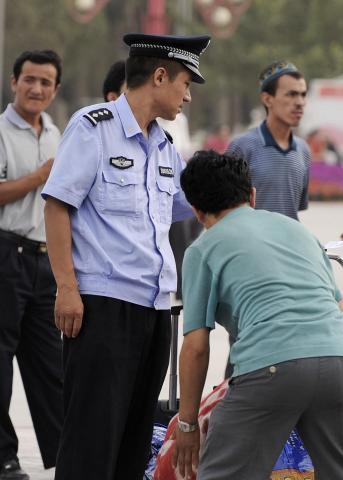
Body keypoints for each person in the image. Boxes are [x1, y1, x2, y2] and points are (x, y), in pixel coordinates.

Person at [42, 33, 210, 479]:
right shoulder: (93, 128)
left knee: (135, 439)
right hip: (101, 309)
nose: (188, 96)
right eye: (185, 84)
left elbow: (194, 208)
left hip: (154, 310)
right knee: (91, 440)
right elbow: (57, 206)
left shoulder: (165, 146)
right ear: (159, 76)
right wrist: (66, 289)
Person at [172, 151, 343, 480]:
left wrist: (187, 423)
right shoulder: (298, 232)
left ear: (197, 211)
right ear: (252, 196)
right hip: (339, 361)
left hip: (270, 366)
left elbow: (196, 347)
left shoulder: (203, 248)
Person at [0, 49, 62, 480]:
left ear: (55, 90)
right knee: (0, 364)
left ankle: (65, 454)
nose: (36, 88)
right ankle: (4, 458)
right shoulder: (1, 131)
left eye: (45, 82)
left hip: (46, 260)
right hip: (6, 254)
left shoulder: (58, 133)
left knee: (52, 365)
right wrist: (41, 177)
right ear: (13, 82)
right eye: (29, 80)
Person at [225, 61, 311, 220]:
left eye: (303, 94)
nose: (300, 102)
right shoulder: (242, 147)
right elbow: (223, 208)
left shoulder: (303, 150)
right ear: (267, 99)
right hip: (249, 243)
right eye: (291, 94)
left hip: (288, 243)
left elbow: (295, 210)